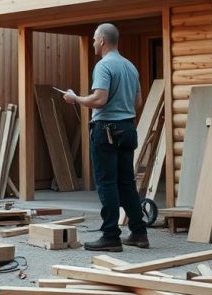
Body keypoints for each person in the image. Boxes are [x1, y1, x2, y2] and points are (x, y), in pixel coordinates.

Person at [63, 23, 149, 252]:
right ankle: (139, 233)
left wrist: (76, 99)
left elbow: (99, 100)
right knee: (127, 183)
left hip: (106, 130)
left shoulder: (104, 66)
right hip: (127, 129)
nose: (92, 42)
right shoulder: (130, 66)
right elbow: (138, 103)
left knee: (107, 184)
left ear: (102, 40)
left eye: (93, 39)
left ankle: (111, 236)